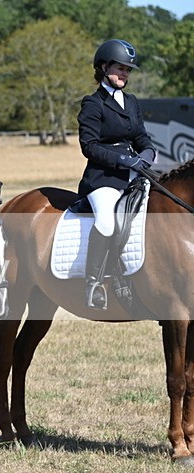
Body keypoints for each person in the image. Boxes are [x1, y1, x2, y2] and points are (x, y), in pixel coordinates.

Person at [77, 39, 155, 310]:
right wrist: (124, 159)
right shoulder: (92, 103)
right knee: (108, 223)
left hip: (135, 175)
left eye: (128, 70)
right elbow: (89, 146)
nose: (125, 73)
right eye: (120, 68)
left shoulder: (131, 102)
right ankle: (94, 283)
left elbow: (142, 137)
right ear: (103, 66)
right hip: (103, 179)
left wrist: (147, 155)